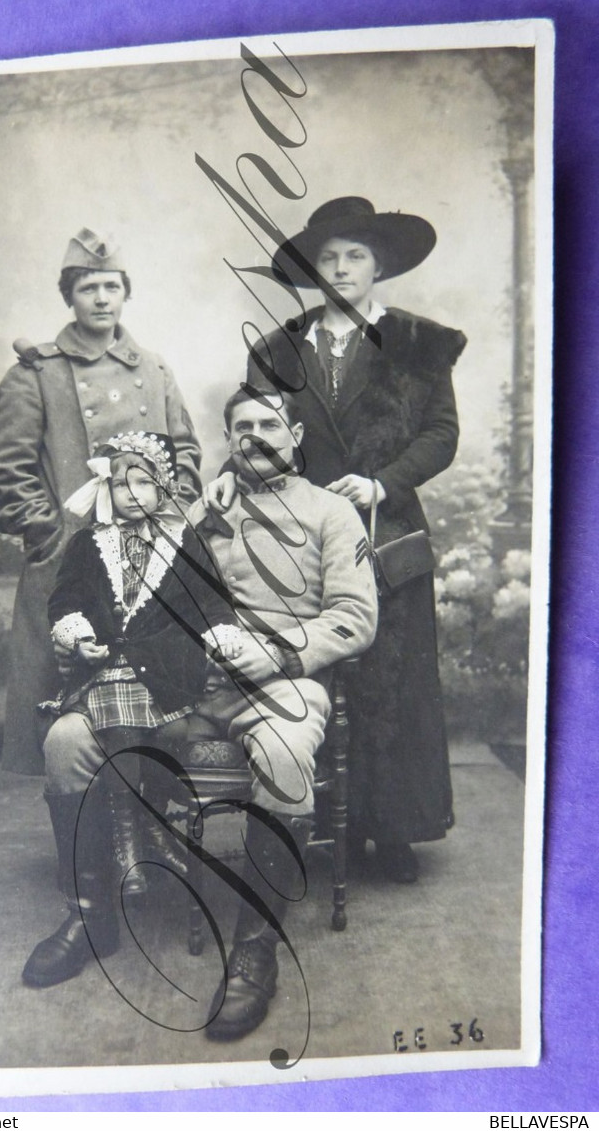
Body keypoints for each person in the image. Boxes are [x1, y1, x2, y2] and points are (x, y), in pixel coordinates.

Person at [205, 196, 467, 883]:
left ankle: (396, 829)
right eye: (329, 257)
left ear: (379, 264)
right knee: (315, 667)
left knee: (394, 678)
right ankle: (324, 825)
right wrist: (231, 476)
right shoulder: (277, 349)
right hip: (301, 537)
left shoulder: (418, 341)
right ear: (312, 270)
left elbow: (442, 434)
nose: (342, 267)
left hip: (386, 536)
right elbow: (255, 428)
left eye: (355, 255)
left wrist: (381, 483)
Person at [188, 387, 378, 1041]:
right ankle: (96, 913)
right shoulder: (208, 512)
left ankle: (253, 950)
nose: (258, 435)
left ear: (295, 434)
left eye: (270, 423)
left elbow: (354, 620)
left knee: (286, 754)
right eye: (243, 427)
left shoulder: (331, 513)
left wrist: (276, 656)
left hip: (288, 684)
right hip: (203, 685)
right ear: (229, 440)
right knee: (80, 739)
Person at [0, 228, 202, 774]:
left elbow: (186, 452)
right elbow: (3, 467)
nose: (101, 299)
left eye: (111, 286)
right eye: (87, 288)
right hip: (73, 557)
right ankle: (86, 836)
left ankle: (150, 824)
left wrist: (172, 522)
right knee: (71, 706)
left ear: (126, 292)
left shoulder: (155, 369)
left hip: (153, 552)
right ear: (69, 297)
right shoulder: (40, 373)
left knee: (153, 695)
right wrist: (48, 530)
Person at [22, 431, 238, 989]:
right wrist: (79, 636)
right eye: (123, 483)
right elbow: (65, 598)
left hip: (167, 681)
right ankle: (90, 909)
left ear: (165, 489)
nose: (135, 493)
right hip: (103, 676)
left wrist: (219, 639)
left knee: (135, 719)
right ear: (107, 488)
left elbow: (212, 601)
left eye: (147, 483)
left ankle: (136, 829)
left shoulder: (184, 541)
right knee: (65, 741)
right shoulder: (88, 545)